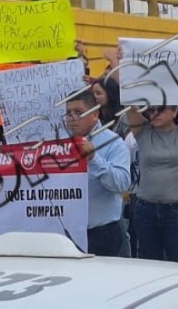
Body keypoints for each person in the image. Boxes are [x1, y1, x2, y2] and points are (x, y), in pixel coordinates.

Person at [126, 102, 178, 263]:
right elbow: (130, 104)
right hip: (146, 209)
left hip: (177, 210)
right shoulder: (143, 132)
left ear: (175, 112)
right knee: (150, 264)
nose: (155, 113)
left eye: (160, 109)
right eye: (151, 110)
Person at [64, 90, 131, 256]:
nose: (72, 118)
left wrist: (94, 159)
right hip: (68, 234)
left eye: (78, 112)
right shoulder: (59, 144)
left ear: (95, 114)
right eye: (68, 113)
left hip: (103, 233)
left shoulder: (113, 142)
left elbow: (122, 184)